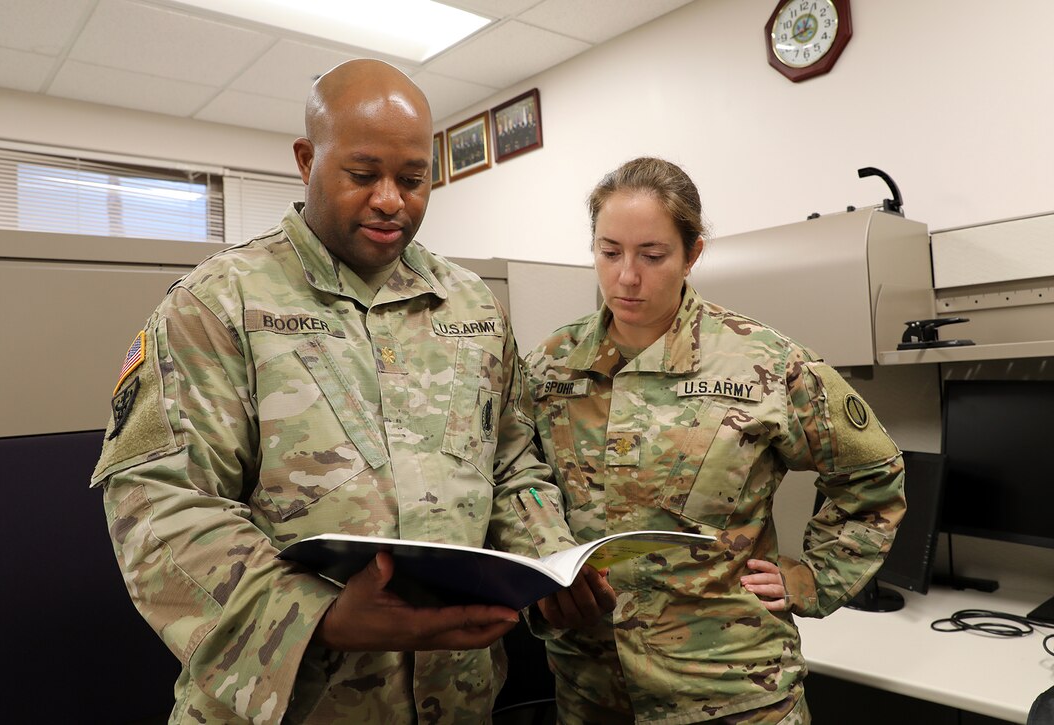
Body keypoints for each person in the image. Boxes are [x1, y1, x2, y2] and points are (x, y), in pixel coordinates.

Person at [90, 59, 613, 724]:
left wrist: (548, 563)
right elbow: (157, 503)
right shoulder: (219, 304)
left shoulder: (472, 306)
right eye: (363, 175)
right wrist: (319, 614)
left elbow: (511, 462)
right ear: (307, 159)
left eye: (413, 178)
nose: (391, 198)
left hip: (456, 701)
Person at [524, 157, 907, 724]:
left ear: (692, 253)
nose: (627, 276)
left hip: (733, 691)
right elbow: (519, 483)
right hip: (593, 692)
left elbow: (873, 475)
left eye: (652, 255)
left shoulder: (766, 363)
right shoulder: (548, 369)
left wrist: (813, 578)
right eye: (609, 252)